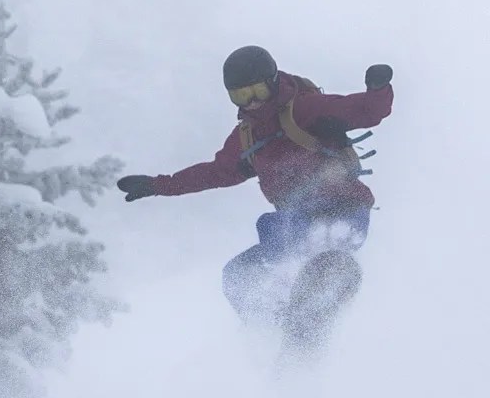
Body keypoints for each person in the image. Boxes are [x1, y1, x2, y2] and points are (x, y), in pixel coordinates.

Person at [117, 46, 395, 331]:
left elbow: (365, 111)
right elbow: (215, 173)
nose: (250, 103)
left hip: (343, 212)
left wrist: (378, 88)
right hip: (295, 223)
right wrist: (157, 185)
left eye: (257, 92)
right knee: (237, 274)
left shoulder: (305, 109)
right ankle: (277, 329)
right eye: (240, 96)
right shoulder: (247, 137)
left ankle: (329, 279)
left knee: (284, 232)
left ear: (273, 82)